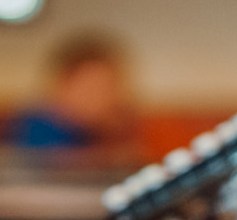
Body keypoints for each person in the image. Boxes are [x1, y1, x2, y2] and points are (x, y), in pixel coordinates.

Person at [7, 32, 139, 160]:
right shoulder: (35, 128)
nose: (102, 97)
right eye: (91, 88)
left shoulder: (94, 131)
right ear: (62, 85)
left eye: (109, 87)